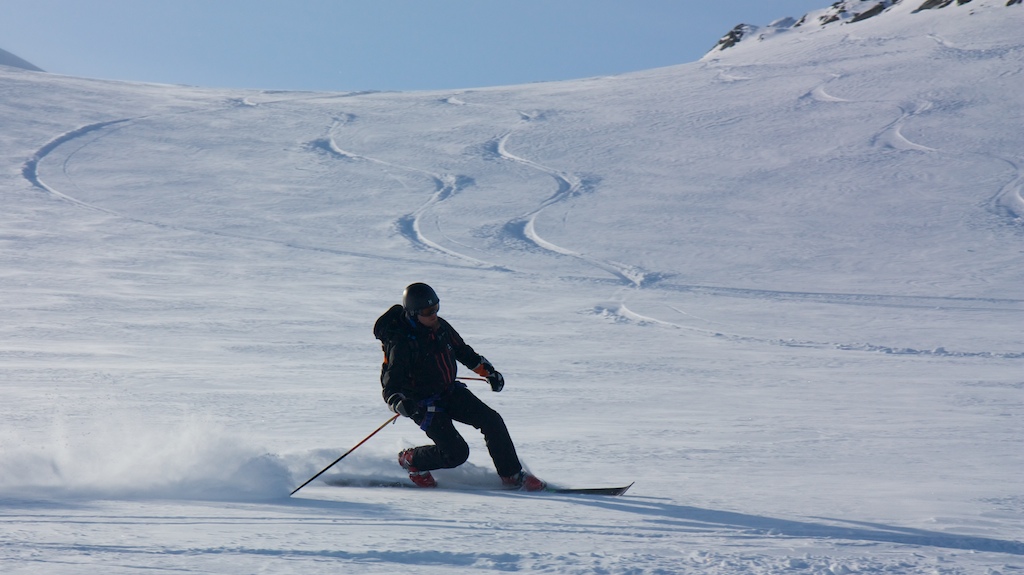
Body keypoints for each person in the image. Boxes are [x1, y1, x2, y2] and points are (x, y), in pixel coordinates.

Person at [373, 282, 545, 491]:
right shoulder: (401, 342)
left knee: (492, 421)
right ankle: (412, 460)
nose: (434, 315)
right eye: (428, 311)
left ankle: (512, 475)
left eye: (436, 308)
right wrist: (400, 403)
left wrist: (488, 372)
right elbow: (391, 386)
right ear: (413, 313)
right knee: (456, 453)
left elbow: (462, 351)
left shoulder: (440, 327)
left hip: (449, 391)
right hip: (423, 404)